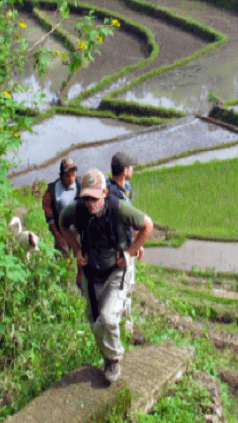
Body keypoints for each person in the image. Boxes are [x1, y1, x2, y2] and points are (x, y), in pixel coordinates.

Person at [59, 169, 153, 384]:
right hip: (92, 274)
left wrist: (130, 253)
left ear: (103, 192)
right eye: (87, 198)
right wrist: (77, 250)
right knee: (95, 323)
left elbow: (147, 225)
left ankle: (113, 359)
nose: (91, 203)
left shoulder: (117, 208)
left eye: (94, 198)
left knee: (108, 317)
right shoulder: (77, 210)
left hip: (116, 272)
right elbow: (63, 224)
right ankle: (108, 354)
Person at [108, 152, 137, 334]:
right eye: (131, 166)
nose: (133, 169)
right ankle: (117, 325)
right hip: (118, 250)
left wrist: (136, 245)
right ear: (125, 170)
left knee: (129, 286)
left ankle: (127, 320)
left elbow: (131, 218)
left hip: (129, 246)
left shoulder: (127, 188)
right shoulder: (112, 195)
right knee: (119, 287)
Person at [40, 157, 80, 257]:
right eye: (68, 175)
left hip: (77, 230)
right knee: (63, 261)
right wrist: (58, 237)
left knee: (81, 257)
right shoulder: (52, 191)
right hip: (61, 232)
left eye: (73, 175)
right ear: (62, 175)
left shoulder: (79, 185)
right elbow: (50, 218)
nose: (71, 178)